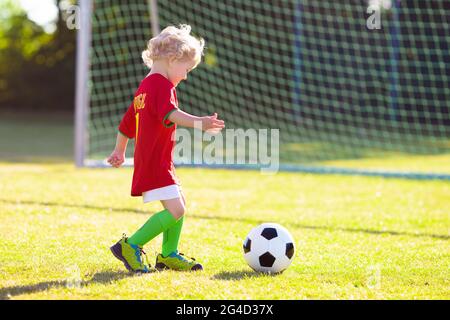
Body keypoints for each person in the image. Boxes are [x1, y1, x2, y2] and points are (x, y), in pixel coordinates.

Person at [107, 25, 225, 272]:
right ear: (173, 59)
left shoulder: (145, 87)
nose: (186, 75)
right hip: (154, 162)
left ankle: (168, 254)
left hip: (157, 161)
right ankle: (130, 245)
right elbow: (171, 114)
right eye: (187, 69)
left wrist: (120, 150)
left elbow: (127, 124)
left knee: (179, 203)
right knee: (177, 209)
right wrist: (200, 123)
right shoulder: (161, 86)